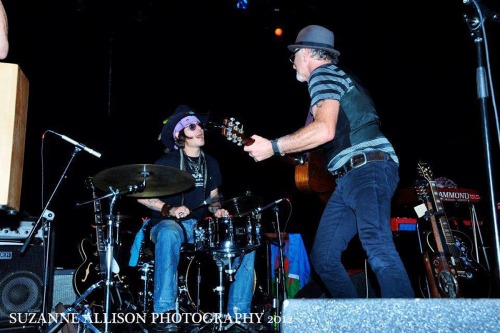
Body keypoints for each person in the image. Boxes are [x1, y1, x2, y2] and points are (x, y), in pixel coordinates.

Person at [243, 25, 414, 298]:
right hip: (350, 176)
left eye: (294, 55)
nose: (292, 62)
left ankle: (407, 324)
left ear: (308, 53)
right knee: (323, 258)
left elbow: (324, 130)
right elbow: (322, 138)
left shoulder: (322, 74)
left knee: (377, 243)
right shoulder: (335, 78)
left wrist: (273, 147)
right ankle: (353, 321)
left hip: (366, 167)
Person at [137, 105, 256, 332]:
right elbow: (142, 198)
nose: (200, 129)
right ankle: (164, 312)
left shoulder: (211, 162)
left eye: (199, 125)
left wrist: (218, 210)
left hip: (199, 227)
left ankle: (238, 315)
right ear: (181, 135)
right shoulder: (167, 162)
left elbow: (213, 198)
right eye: (192, 127)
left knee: (245, 241)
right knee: (170, 231)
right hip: (165, 224)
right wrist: (168, 209)